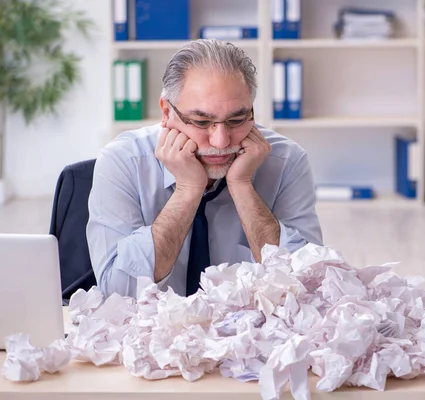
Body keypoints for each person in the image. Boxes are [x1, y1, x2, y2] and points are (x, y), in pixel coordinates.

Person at [86, 39, 323, 298]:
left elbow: (310, 287)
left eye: (236, 120)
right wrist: (188, 190)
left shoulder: (286, 161)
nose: (221, 141)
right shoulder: (122, 162)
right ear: (166, 112)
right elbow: (118, 294)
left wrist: (242, 186)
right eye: (201, 121)